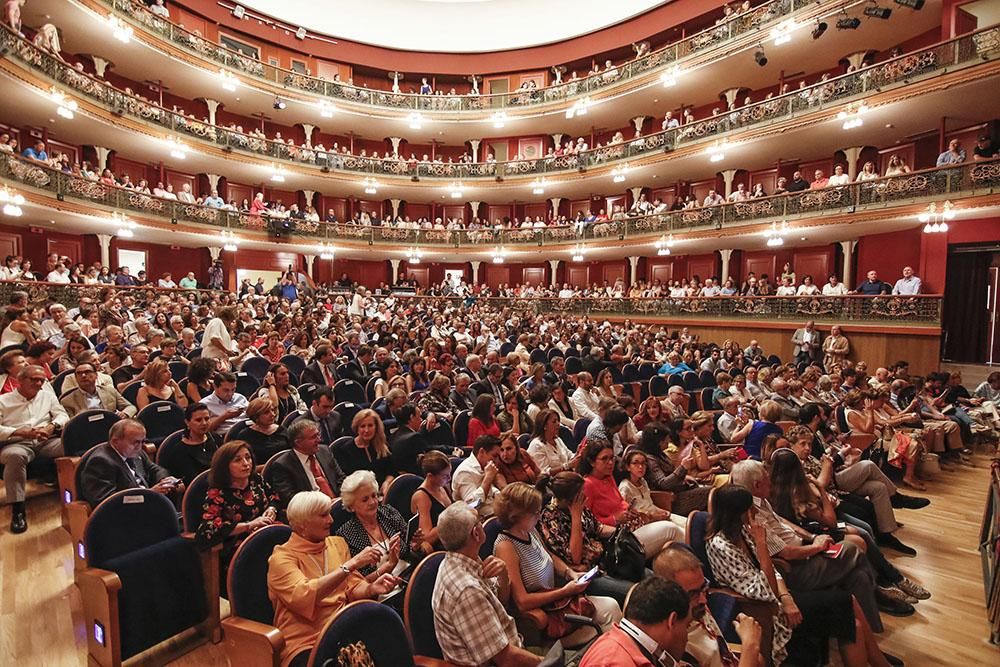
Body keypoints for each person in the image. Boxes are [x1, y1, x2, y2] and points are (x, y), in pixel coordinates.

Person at [707, 483, 897, 667]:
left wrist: (786, 596)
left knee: (852, 609)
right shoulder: (720, 545)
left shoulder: (742, 532)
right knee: (848, 608)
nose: (755, 513)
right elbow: (765, 589)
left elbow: (772, 571)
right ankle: (879, 661)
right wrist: (762, 544)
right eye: (750, 510)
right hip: (766, 610)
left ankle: (878, 659)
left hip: (781, 598)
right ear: (736, 514)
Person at [268, 490, 399, 667]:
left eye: (329, 513)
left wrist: (371, 588)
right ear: (302, 525)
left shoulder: (337, 543)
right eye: (323, 515)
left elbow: (352, 588)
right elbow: (303, 596)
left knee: (391, 639)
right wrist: (350, 564)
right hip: (306, 641)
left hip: (344, 626)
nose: (330, 520)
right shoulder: (282, 558)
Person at [493, 482, 622, 643]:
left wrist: (570, 573)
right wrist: (565, 591)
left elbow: (550, 557)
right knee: (609, 615)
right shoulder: (506, 546)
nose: (539, 516)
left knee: (611, 607)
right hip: (546, 615)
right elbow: (522, 602)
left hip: (556, 602)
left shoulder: (529, 530)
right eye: (535, 513)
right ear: (516, 516)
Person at [431, 502, 541, 667]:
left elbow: (500, 601)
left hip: (511, 647)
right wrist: (548, 663)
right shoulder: (467, 590)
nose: (483, 523)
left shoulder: (463, 559)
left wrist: (503, 574)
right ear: (476, 533)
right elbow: (505, 659)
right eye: (480, 520)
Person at [652, 544, 763, 667]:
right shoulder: (674, 641)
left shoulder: (696, 605)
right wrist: (750, 647)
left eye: (703, 587)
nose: (704, 600)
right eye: (693, 594)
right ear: (669, 595)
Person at [196, 441, 277, 594]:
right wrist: (249, 525)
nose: (246, 463)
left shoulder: (255, 479)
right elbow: (209, 529)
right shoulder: (217, 492)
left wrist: (271, 509)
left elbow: (274, 496)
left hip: (266, 531)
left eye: (248, 458)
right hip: (238, 543)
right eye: (237, 460)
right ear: (225, 465)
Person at [0, 365, 69, 532]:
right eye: (34, 379)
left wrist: (52, 426)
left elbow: (62, 415)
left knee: (72, 445)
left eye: (42, 380)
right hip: (16, 443)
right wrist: (19, 432)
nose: (39, 383)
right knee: (15, 457)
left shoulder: (47, 396)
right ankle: (18, 509)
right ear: (20, 381)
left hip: (45, 441)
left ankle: (76, 493)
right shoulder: (3, 400)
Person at [579, 576, 694, 667]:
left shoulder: (632, 649)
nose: (686, 637)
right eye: (686, 626)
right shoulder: (613, 662)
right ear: (672, 621)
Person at [77, 418, 181, 508]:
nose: (140, 447)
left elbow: (155, 469)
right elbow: (106, 500)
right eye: (135, 442)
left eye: (142, 441)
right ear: (115, 441)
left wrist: (164, 480)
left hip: (147, 505)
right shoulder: (101, 461)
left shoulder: (137, 452)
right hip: (122, 515)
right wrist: (149, 494)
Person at [336, 469, 419, 579]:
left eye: (374, 496)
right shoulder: (346, 535)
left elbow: (409, 551)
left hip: (409, 575)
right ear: (351, 507)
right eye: (365, 500)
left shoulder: (389, 513)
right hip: (380, 590)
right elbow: (358, 583)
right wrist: (389, 565)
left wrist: (415, 545)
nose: (372, 502)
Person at [268, 419, 346, 512]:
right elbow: (290, 499)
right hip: (312, 511)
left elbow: (340, 478)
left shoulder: (324, 451)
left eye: (318, 434)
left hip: (339, 504)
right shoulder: (282, 465)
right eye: (314, 437)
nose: (319, 440)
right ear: (298, 442)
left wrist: (343, 499)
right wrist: (322, 504)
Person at [636, 422, 710, 516]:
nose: (669, 440)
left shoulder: (660, 454)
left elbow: (671, 473)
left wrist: (684, 477)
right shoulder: (650, 459)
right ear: (659, 442)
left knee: (712, 493)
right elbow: (664, 484)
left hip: (679, 491)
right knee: (711, 492)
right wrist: (682, 467)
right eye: (666, 439)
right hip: (670, 499)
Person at [332, 408, 395, 492]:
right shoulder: (345, 450)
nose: (366, 430)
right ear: (356, 428)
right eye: (362, 426)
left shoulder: (383, 446)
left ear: (376, 427)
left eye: (370, 425)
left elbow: (391, 471)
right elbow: (346, 482)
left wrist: (387, 482)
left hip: (383, 494)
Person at [158, 403, 222, 485]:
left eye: (207, 419)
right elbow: (189, 480)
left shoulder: (215, 439)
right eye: (198, 420)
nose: (204, 423)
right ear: (187, 422)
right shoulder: (179, 450)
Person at [411, 450, 453, 553]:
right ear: (430, 476)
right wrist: (451, 519)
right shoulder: (422, 496)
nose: (449, 478)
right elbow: (426, 539)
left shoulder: (442, 486)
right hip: (437, 546)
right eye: (445, 476)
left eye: (449, 474)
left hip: (448, 537)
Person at [453, 433, 505, 517]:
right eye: (494, 456)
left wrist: (501, 495)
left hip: (492, 510)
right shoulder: (464, 472)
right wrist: (488, 479)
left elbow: (491, 491)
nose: (497, 461)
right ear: (482, 452)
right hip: (477, 518)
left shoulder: (484, 465)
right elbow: (472, 506)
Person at [60, 361, 135, 417]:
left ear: (96, 375)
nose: (83, 375)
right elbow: (69, 425)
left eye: (87, 372)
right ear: (76, 378)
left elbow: (130, 407)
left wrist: (124, 413)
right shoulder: (67, 401)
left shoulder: (110, 391)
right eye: (79, 373)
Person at [240, 397, 292, 463]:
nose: (273, 415)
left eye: (272, 410)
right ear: (256, 416)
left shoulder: (282, 430)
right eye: (266, 412)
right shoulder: (245, 435)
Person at [526, 408, 577, 475]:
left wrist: (578, 454)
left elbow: (569, 455)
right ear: (544, 426)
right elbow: (543, 473)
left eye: (558, 421)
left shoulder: (557, 439)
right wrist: (567, 466)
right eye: (554, 422)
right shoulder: (536, 445)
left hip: (565, 477)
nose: (558, 424)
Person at [201, 371, 249, 436]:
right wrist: (224, 417)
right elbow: (204, 430)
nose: (230, 394)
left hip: (247, 431)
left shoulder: (240, 398)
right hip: (226, 437)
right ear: (215, 387)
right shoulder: (204, 405)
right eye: (226, 390)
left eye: (233, 389)